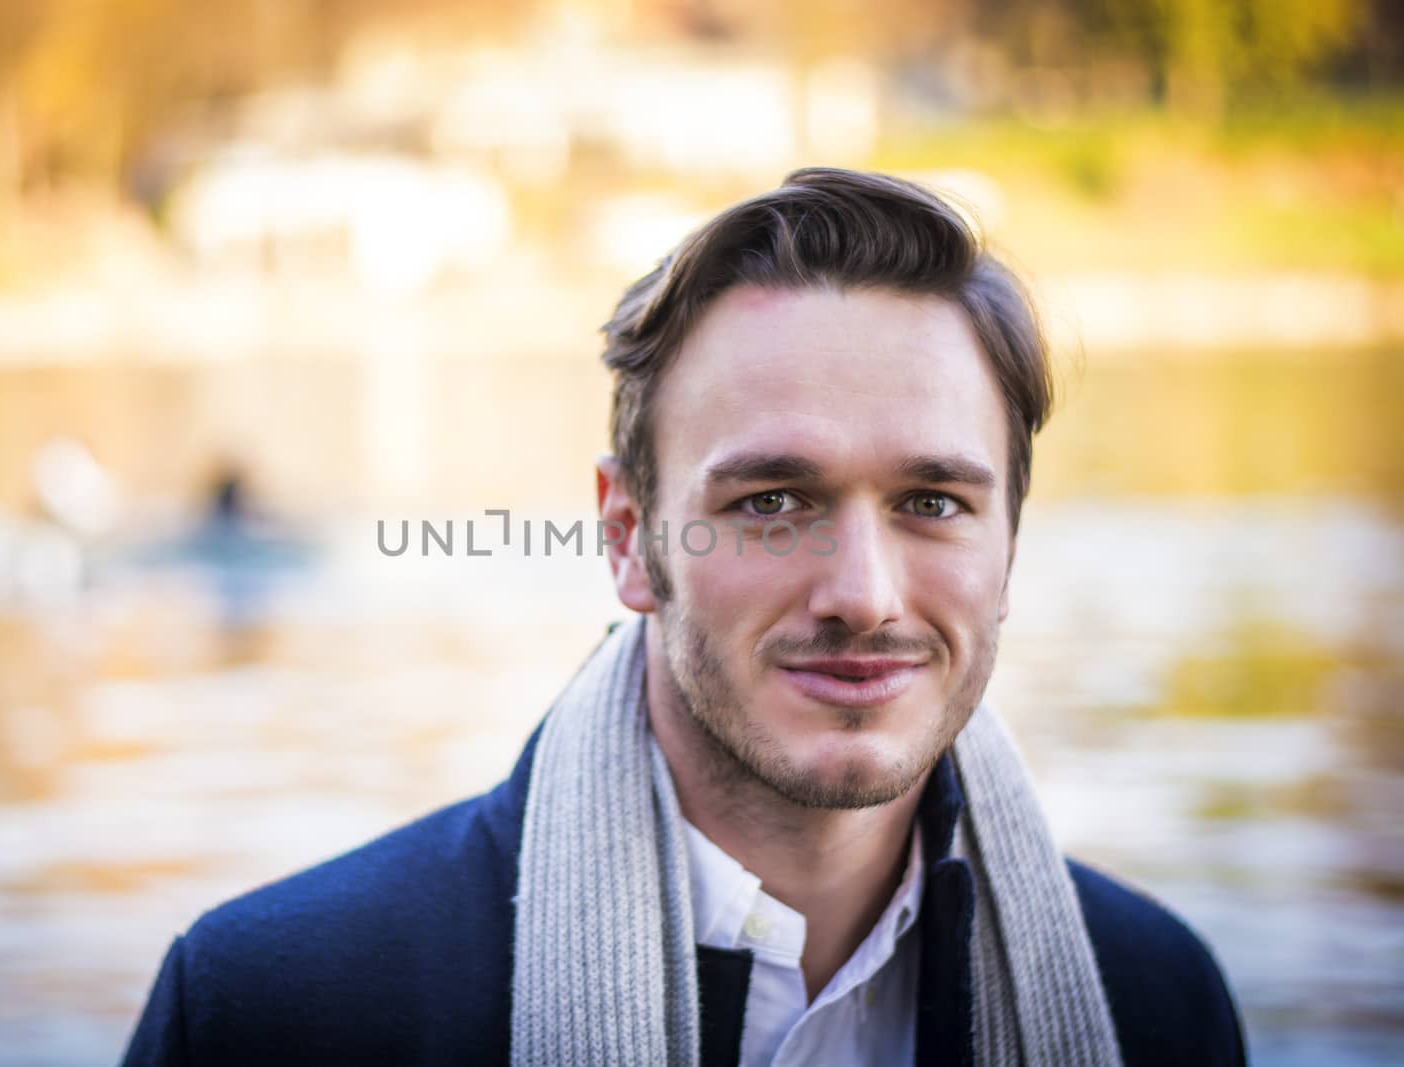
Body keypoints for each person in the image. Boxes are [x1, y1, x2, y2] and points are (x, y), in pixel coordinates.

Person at [119, 169, 1246, 1066]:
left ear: (1010, 543)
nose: (861, 590)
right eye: (770, 502)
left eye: (932, 502)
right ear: (626, 536)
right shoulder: (279, 1009)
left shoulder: (1153, 999)